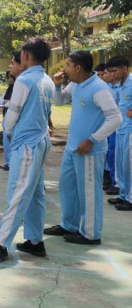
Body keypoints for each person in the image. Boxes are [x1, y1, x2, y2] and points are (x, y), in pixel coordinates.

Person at [0, 37, 55, 264]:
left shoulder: (24, 81)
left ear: (26, 56)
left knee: (18, 193)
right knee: (35, 194)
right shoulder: (48, 80)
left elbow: (13, 113)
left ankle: (1, 245)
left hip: (27, 143)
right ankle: (34, 241)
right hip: (40, 140)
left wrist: (8, 130)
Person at [44, 51, 121, 245]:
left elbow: (115, 118)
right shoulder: (76, 84)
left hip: (90, 151)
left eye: (68, 64)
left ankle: (90, 234)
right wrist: (57, 85)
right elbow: (60, 101)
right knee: (67, 187)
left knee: (89, 192)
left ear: (78, 67)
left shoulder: (99, 88)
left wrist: (92, 140)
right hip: (72, 148)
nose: (65, 68)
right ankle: (68, 224)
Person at [106, 56, 132, 211]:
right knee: (121, 164)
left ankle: (130, 198)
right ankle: (123, 194)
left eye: (115, 71)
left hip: (130, 131)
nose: (113, 74)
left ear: (124, 69)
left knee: (130, 165)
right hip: (121, 130)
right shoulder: (120, 85)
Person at [96, 63, 120, 195]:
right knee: (108, 154)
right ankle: (109, 179)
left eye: (103, 74)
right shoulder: (105, 87)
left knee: (116, 155)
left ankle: (116, 183)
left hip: (120, 127)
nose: (103, 76)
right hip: (107, 125)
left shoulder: (124, 86)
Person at [0, 52, 22, 171]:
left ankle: (11, 163)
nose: (10, 66)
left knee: (19, 180)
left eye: (12, 63)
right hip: (32, 138)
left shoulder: (23, 82)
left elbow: (14, 109)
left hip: (23, 137)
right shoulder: (43, 80)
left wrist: (8, 131)